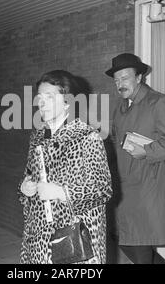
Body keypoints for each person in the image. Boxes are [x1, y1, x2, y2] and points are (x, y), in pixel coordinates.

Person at [19, 70, 113, 264]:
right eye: (40, 97)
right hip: (40, 238)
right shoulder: (37, 137)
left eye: (49, 97)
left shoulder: (87, 137)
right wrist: (25, 188)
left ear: (68, 102)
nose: (41, 103)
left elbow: (103, 190)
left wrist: (62, 192)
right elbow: (29, 175)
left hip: (75, 240)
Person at [106, 53, 165, 264]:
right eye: (116, 80)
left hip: (147, 188)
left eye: (124, 78)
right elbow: (116, 141)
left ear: (139, 77)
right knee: (124, 240)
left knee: (140, 245)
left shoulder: (159, 102)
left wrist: (148, 151)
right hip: (124, 187)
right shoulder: (121, 106)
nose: (119, 84)